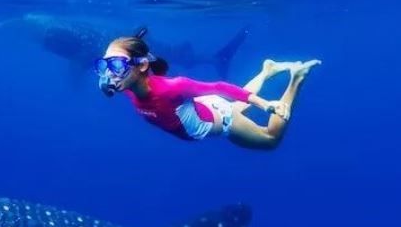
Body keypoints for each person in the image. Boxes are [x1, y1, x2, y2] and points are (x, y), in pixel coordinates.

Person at [96, 28, 320, 150]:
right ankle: (267, 71)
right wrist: (107, 85)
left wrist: (265, 104)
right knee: (232, 106)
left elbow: (220, 87)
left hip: (222, 121)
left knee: (270, 139)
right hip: (206, 109)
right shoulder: (126, 85)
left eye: (115, 65)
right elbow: (110, 84)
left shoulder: (171, 88)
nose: (109, 74)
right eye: (104, 65)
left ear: (142, 65)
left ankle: (296, 79)